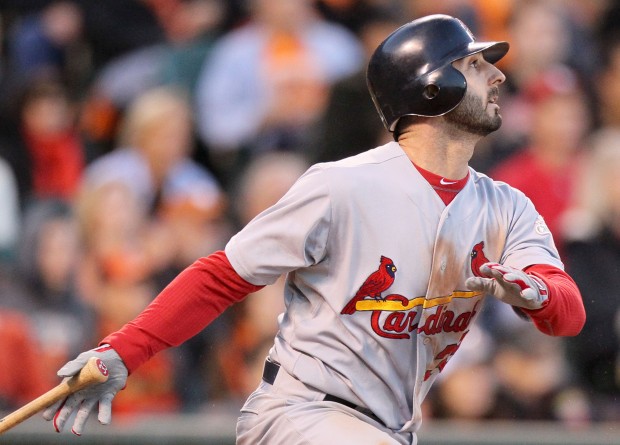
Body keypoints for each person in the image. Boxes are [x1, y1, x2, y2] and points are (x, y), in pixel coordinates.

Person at [42, 15, 585, 444]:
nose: (499, 76)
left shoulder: (506, 207)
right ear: (432, 88)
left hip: (390, 426)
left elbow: (568, 313)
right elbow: (222, 277)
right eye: (474, 65)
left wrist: (536, 293)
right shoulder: (343, 186)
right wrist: (123, 352)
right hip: (302, 413)